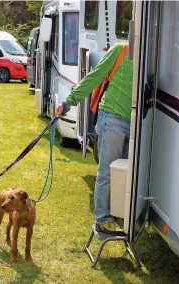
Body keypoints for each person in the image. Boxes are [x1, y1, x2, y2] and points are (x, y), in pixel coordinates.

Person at [56, 43, 132, 234]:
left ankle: (120, 216)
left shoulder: (152, 55)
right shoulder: (120, 50)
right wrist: (69, 101)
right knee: (108, 171)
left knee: (125, 174)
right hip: (112, 119)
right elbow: (95, 76)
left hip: (137, 124)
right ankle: (103, 219)